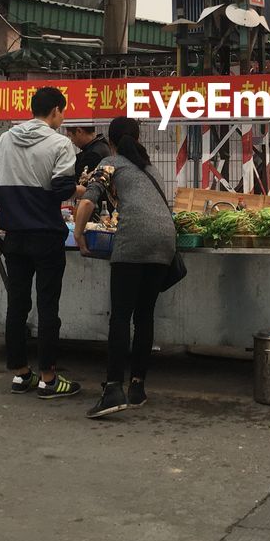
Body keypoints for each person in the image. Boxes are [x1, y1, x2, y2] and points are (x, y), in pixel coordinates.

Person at [0, 86, 82, 400]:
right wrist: (81, 189)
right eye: (62, 112)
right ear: (54, 111)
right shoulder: (60, 143)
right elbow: (61, 190)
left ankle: (20, 374)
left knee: (17, 305)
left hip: (14, 237)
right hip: (48, 236)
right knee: (47, 306)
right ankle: (49, 379)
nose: (63, 118)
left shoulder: (5, 139)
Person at [73, 116, 176, 419]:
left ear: (113, 141)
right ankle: (138, 387)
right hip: (165, 242)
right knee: (144, 316)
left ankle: (113, 390)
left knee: (120, 317)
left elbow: (88, 203)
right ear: (139, 137)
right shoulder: (151, 168)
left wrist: (79, 234)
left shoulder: (110, 162)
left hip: (133, 242)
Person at [68, 122, 111, 196]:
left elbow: (82, 186)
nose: (72, 141)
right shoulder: (102, 144)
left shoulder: (93, 154)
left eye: (70, 136)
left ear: (79, 131)